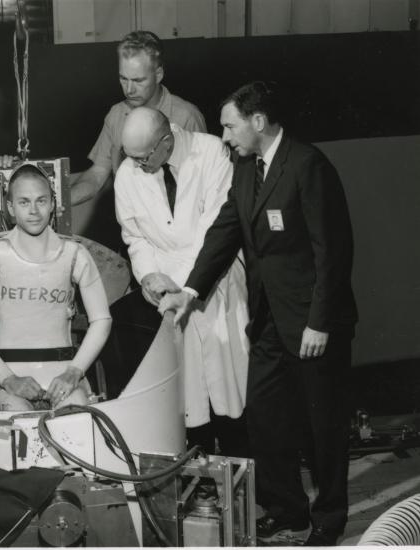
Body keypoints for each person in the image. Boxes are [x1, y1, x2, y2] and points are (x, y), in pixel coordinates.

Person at [159, 81, 358, 546]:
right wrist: (191, 290)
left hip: (313, 326)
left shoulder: (308, 165)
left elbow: (334, 251)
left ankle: (330, 519)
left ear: (258, 121)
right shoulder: (246, 171)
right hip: (269, 322)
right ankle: (288, 510)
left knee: (322, 428)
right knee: (266, 421)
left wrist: (319, 321)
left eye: (229, 126)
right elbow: (225, 232)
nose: (224, 136)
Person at [115, 106, 249, 456]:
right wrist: (147, 277)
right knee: (188, 401)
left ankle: (247, 484)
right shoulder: (129, 173)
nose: (138, 166)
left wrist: (179, 282)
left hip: (215, 284)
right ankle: (201, 489)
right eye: (131, 158)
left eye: (144, 157)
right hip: (169, 300)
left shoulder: (211, 153)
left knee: (231, 392)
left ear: (165, 141)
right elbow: (135, 237)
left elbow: (216, 229)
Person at [0, 164, 112, 411]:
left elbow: (102, 319)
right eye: (24, 202)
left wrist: (75, 371)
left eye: (41, 201)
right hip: (10, 377)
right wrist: (7, 379)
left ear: (53, 204)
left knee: (77, 421)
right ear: (10, 208)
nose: (33, 211)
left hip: (63, 376)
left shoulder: (74, 253)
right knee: (18, 425)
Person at [70, 30, 206, 207]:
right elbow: (98, 173)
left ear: (158, 75)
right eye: (123, 78)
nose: (129, 89)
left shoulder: (187, 117)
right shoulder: (116, 114)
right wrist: (58, 200)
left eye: (138, 80)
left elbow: (203, 188)